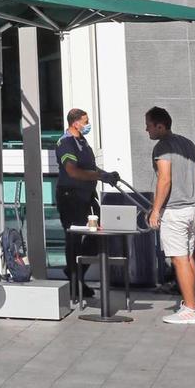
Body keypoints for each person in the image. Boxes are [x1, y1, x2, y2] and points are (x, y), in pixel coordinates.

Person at [146, 106, 195, 325]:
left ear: (160, 125)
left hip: (175, 212)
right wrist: (189, 189)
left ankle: (190, 309)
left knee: (179, 259)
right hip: (193, 210)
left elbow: (164, 179)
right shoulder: (186, 143)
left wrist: (155, 210)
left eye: (149, 125)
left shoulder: (162, 147)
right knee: (188, 257)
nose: (146, 130)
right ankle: (191, 305)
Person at [55, 107, 119, 301]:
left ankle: (76, 272)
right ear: (75, 123)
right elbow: (73, 171)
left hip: (87, 196)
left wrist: (105, 174)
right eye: (85, 121)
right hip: (71, 196)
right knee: (74, 237)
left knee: (98, 235)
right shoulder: (66, 143)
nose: (88, 125)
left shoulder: (82, 141)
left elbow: (89, 167)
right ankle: (75, 281)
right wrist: (99, 176)